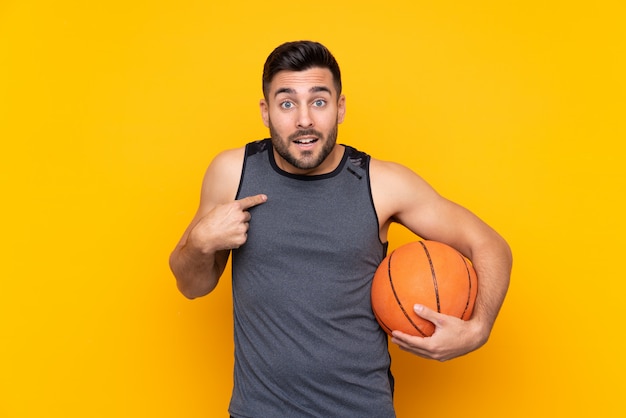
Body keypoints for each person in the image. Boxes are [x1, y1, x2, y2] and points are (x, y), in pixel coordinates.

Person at [169, 40, 512, 418]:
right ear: (266, 112)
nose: (304, 119)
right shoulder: (232, 174)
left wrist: (478, 329)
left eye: (319, 101)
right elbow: (192, 286)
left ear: (340, 107)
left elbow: (490, 245)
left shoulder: (381, 183)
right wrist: (200, 242)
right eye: (287, 103)